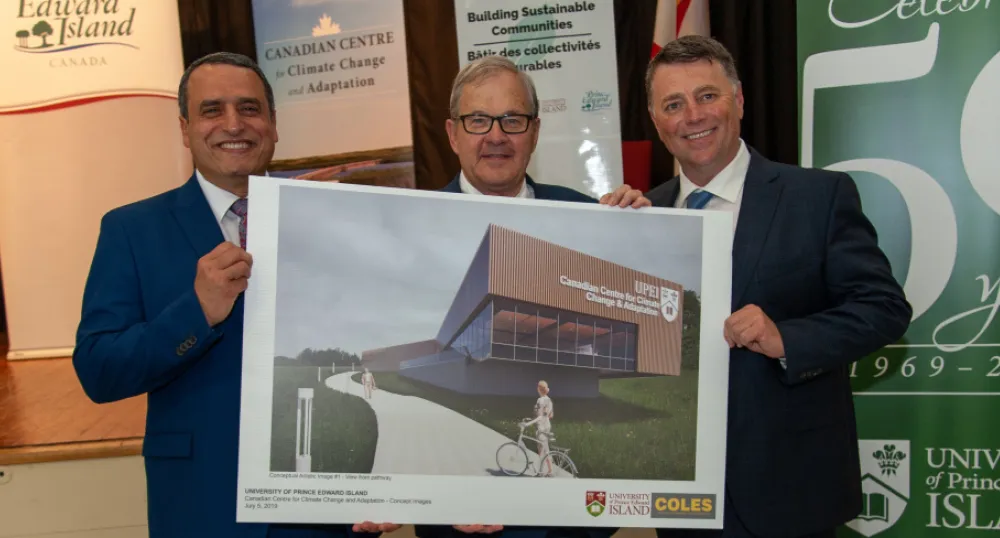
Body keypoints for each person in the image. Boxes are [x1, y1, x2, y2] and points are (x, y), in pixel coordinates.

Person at [72, 52, 400, 538]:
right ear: (184, 129)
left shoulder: (337, 224)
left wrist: (390, 483)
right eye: (212, 110)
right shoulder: (131, 231)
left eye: (249, 108)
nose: (233, 124)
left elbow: (378, 349)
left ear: (272, 124)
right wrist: (196, 313)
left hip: (325, 511)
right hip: (202, 503)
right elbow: (99, 372)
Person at [604, 36, 912, 538]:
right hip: (683, 497)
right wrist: (611, 245)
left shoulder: (817, 196)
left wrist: (785, 338)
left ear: (739, 100)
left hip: (790, 491)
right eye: (673, 104)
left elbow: (884, 309)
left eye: (708, 95)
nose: (693, 115)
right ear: (657, 121)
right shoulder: (644, 216)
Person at [415, 56, 626, 538]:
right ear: (452, 134)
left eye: (512, 120)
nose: (496, 135)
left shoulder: (590, 217)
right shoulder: (413, 225)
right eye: (477, 120)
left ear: (533, 132)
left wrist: (642, 224)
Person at [523, 380, 553, 477]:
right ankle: (549, 470)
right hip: (547, 426)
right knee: (545, 448)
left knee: (541, 450)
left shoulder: (540, 400)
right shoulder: (549, 400)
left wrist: (528, 424)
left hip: (541, 427)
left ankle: (541, 472)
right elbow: (549, 415)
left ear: (539, 389)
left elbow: (541, 416)